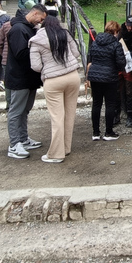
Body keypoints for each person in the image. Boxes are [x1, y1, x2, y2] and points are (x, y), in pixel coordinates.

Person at [29, 15, 82, 163]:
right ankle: (66, 148)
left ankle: (56, 154)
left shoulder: (36, 40)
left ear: (42, 24)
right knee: (69, 114)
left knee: (57, 117)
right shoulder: (65, 33)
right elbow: (76, 53)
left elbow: (35, 66)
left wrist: (48, 67)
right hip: (72, 77)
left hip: (53, 81)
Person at [5, 4, 47, 159]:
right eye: (41, 18)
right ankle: (14, 145)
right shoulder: (18, 30)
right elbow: (21, 53)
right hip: (19, 78)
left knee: (25, 110)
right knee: (16, 112)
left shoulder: (28, 28)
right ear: (35, 13)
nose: (40, 22)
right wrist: (40, 51)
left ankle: (23, 139)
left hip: (29, 78)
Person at [86, 20, 126, 141]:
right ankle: (108, 132)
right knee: (110, 104)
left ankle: (95, 132)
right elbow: (121, 62)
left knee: (96, 104)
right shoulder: (116, 44)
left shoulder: (95, 42)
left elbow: (91, 58)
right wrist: (118, 68)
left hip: (95, 77)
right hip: (110, 77)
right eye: (117, 32)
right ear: (115, 31)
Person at [0, 14, 14, 111]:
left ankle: (9, 105)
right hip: (22, 60)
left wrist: (3, 54)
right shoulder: (29, 25)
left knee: (8, 84)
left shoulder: (6, 25)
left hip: (6, 60)